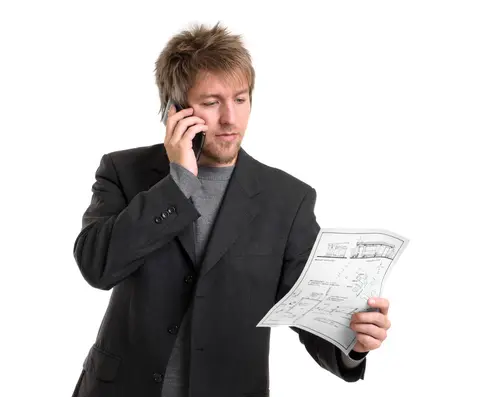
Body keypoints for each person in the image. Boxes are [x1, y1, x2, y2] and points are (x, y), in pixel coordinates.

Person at [71, 22, 393, 397]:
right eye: (211, 102)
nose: (230, 119)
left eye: (240, 99)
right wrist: (177, 184)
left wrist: (353, 342)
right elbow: (96, 267)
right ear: (177, 109)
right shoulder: (124, 172)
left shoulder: (287, 199)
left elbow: (308, 310)